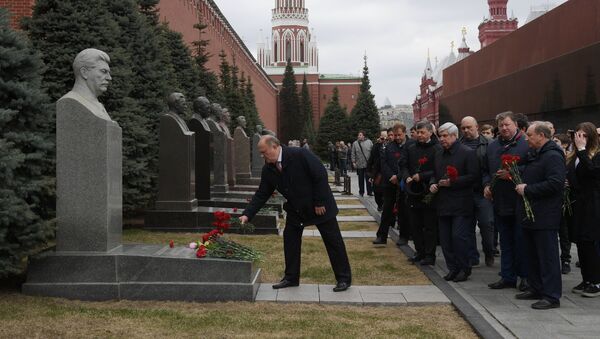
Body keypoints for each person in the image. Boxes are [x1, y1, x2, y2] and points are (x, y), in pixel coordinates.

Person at [240, 135, 352, 292]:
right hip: (296, 209)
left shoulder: (299, 154)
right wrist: (247, 214)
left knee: (333, 241)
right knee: (290, 240)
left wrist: (319, 202)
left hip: (319, 207)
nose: (262, 156)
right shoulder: (269, 169)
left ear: (274, 146)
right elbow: (262, 194)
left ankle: (344, 278)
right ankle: (291, 278)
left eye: (264, 152)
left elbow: (320, 174)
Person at [514, 122, 565, 309]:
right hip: (531, 214)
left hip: (545, 215)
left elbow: (555, 183)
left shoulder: (552, 155)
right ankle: (536, 287)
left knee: (547, 256)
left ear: (541, 136)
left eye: (529, 135)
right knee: (532, 254)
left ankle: (551, 295)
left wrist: (528, 189)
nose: (526, 138)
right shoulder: (535, 155)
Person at [484, 112, 529, 291]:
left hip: (519, 200)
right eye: (501, 125)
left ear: (516, 125)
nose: (504, 128)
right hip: (500, 200)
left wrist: (512, 174)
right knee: (505, 241)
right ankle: (507, 276)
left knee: (521, 240)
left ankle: (525, 276)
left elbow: (534, 168)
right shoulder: (493, 146)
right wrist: (486, 184)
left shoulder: (525, 144)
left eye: (507, 125)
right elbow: (486, 169)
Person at [431, 123, 479, 282]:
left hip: (461, 203)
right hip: (443, 202)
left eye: (445, 136)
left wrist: (453, 182)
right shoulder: (438, 153)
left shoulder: (467, 152)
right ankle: (452, 268)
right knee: (445, 239)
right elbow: (434, 172)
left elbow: (473, 177)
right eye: (440, 136)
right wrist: (433, 182)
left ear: (454, 135)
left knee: (458, 237)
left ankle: (464, 268)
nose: (442, 139)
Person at [401, 121, 441, 265]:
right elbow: (403, 164)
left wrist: (422, 176)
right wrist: (406, 177)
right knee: (415, 224)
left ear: (430, 132)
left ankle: (430, 255)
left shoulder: (437, 148)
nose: (419, 135)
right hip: (413, 191)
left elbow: (438, 169)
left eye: (422, 132)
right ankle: (419, 252)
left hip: (428, 190)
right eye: (418, 132)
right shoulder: (411, 147)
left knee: (429, 225)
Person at [570, 122, 600, 298]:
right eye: (578, 135)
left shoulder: (595, 154)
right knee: (581, 242)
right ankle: (587, 278)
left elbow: (593, 172)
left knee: (590, 242)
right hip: (579, 203)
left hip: (594, 204)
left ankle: (596, 281)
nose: (580, 139)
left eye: (585, 135)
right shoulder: (575, 154)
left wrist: (581, 151)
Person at [460, 117, 495, 267]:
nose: (466, 130)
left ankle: (489, 252)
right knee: (467, 226)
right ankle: (472, 256)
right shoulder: (459, 144)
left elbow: (492, 167)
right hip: (465, 192)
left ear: (476, 127)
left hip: (482, 191)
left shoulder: (488, 144)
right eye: (463, 128)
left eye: (469, 127)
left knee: (486, 224)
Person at [373, 124, 408, 245]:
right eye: (395, 135)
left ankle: (403, 236)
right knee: (387, 209)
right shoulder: (388, 147)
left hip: (403, 182)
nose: (397, 137)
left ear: (404, 133)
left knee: (403, 210)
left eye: (399, 135)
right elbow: (384, 163)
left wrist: (398, 177)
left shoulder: (410, 145)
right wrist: (391, 177)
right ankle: (381, 236)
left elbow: (408, 164)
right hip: (389, 183)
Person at [62, 48, 112, 121]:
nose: (109, 78)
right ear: (84, 72)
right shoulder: (70, 101)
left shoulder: (99, 106)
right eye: (103, 71)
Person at [367, 130, 387, 211]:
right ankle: (379, 204)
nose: (384, 139)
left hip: (387, 172)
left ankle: (385, 206)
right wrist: (370, 173)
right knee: (377, 190)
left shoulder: (391, 145)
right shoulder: (376, 146)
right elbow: (371, 159)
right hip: (378, 172)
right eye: (382, 138)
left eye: (386, 138)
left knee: (386, 191)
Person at [352, 131, 374, 197]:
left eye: (360, 135)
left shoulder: (369, 142)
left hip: (368, 164)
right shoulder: (355, 143)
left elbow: (373, 152)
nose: (359, 136)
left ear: (364, 136)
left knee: (368, 179)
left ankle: (369, 192)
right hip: (359, 164)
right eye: (358, 135)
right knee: (360, 179)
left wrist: (372, 162)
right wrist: (353, 162)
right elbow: (353, 153)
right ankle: (361, 192)